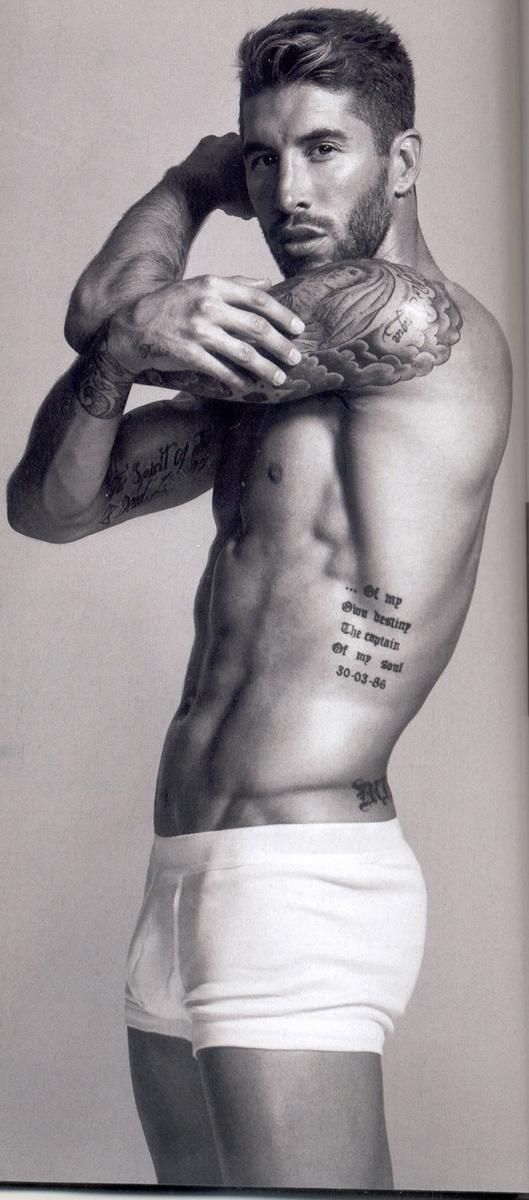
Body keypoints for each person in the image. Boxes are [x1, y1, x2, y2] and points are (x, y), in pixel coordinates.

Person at [7, 6, 511, 1190]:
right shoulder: (267, 386)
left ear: (402, 161)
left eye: (324, 149)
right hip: (185, 871)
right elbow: (49, 506)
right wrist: (116, 358)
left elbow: (99, 314)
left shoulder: (410, 323)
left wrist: (184, 188)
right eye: (258, 157)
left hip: (301, 882)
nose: (287, 190)